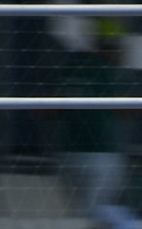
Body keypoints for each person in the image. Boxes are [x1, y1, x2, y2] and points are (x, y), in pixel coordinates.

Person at [53, 20, 133, 218]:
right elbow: (127, 111)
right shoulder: (109, 73)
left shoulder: (71, 68)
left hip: (68, 153)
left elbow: (46, 109)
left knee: (78, 212)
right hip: (102, 153)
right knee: (96, 213)